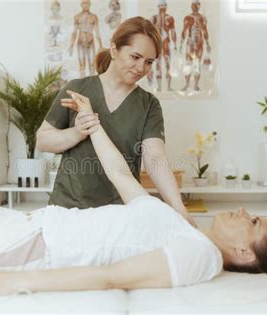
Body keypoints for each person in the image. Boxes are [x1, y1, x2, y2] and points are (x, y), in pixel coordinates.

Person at [0, 91, 267, 300]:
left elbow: (112, 276)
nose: (245, 212)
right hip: (31, 227)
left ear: (245, 253)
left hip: (27, 250)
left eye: (255, 222)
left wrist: (19, 281)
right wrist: (91, 122)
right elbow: (120, 173)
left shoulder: (199, 259)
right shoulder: (185, 229)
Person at [38, 16, 196, 226]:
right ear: (114, 50)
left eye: (149, 62)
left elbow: (155, 158)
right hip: (69, 209)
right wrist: (76, 132)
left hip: (121, 215)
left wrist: (179, 209)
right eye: (135, 57)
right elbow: (42, 141)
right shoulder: (76, 90)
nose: (141, 68)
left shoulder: (149, 105)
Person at [179, 0, 211, 91]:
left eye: (196, 5)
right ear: (191, 6)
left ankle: (196, 85)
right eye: (192, 5)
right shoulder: (188, 18)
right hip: (190, 43)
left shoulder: (202, 18)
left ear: (199, 6)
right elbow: (184, 31)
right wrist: (181, 43)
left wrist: (208, 43)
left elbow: (205, 31)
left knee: (197, 64)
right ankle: (187, 84)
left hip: (199, 43)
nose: (194, 7)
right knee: (188, 63)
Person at [146, 0, 177, 91]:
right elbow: (149, 33)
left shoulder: (170, 18)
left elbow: (173, 31)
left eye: (164, 6)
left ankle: (168, 87)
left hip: (166, 42)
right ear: (158, 7)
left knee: (168, 64)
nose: (163, 8)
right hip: (157, 43)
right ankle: (159, 87)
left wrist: (175, 44)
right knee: (158, 64)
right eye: (161, 6)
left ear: (166, 7)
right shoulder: (154, 18)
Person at [69, 0, 103, 77]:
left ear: (90, 4)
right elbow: (74, 32)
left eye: (87, 3)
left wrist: (101, 45)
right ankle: (82, 85)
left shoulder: (94, 17)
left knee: (92, 65)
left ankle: (91, 85)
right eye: (84, 3)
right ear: (81, 4)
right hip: (80, 42)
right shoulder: (77, 17)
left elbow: (97, 32)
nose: (85, 5)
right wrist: (71, 45)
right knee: (81, 65)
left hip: (90, 42)